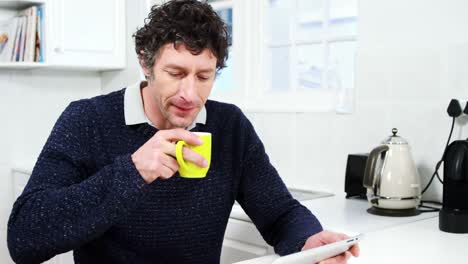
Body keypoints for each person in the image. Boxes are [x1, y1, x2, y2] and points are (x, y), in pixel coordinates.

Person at [7, 1, 359, 263]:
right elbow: (25, 238)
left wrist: (309, 239)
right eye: (176, 73)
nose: (190, 95)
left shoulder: (230, 126)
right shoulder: (87, 120)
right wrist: (133, 171)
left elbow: (279, 213)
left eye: (204, 77)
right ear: (145, 63)